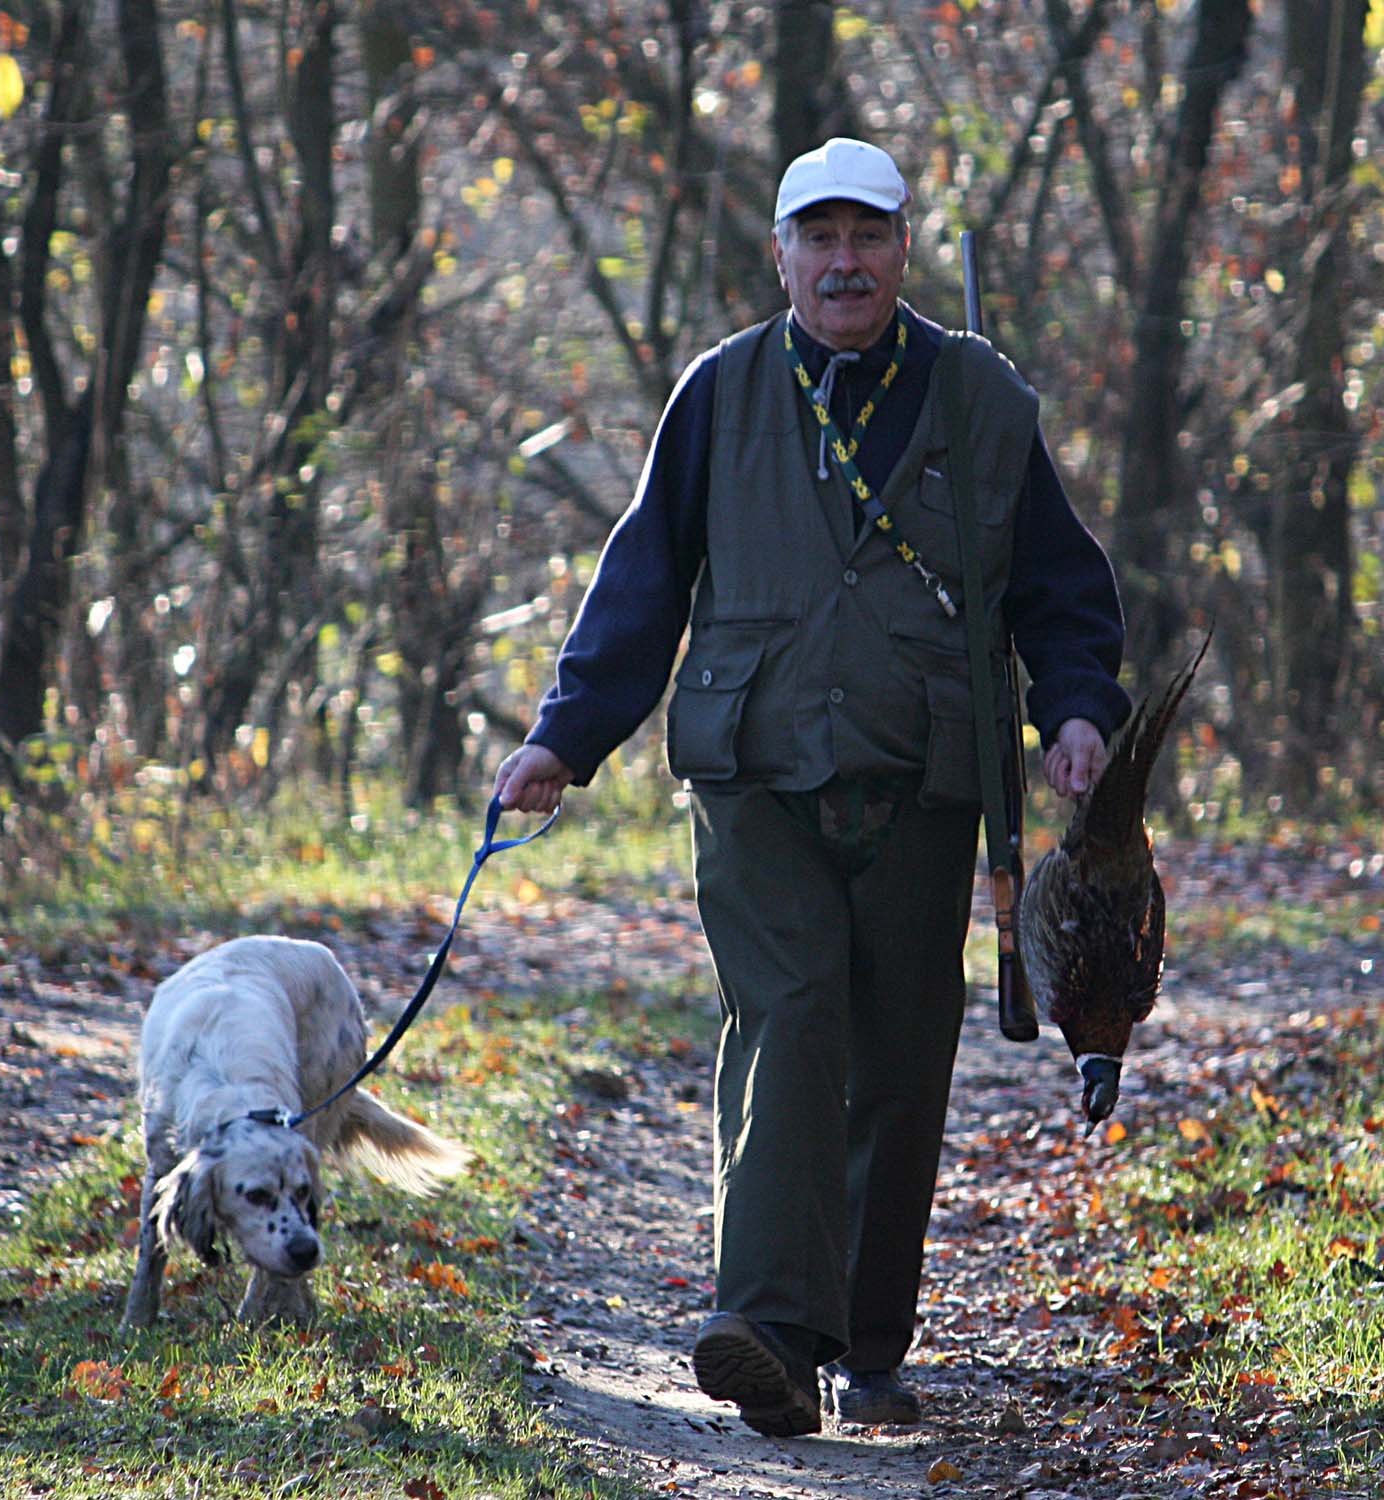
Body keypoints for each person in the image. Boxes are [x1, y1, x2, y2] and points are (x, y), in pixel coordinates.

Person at [494, 137, 1130, 1436]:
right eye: (818, 236)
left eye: (869, 236)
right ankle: (769, 1328)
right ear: (779, 254)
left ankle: (870, 1345)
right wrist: (565, 739)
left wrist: (1075, 714)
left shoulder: (982, 403)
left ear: (905, 248)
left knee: (901, 1058)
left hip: (926, 780)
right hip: (754, 778)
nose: (844, 261)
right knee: (791, 1019)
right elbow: (641, 587)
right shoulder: (717, 397)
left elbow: (1061, 588)